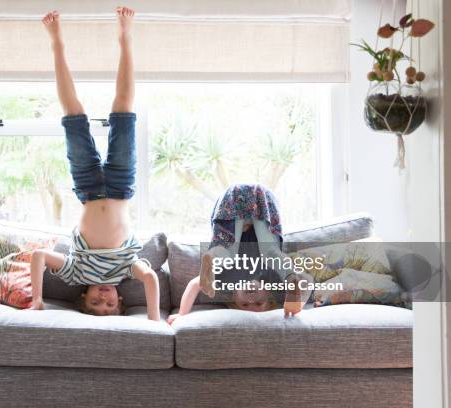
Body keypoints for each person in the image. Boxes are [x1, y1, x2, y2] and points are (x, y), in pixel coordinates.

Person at [29, 7, 161, 321]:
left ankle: (57, 43)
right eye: (110, 305)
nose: (103, 299)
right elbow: (152, 278)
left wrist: (37, 299)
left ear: (83, 296)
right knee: (123, 111)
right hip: (120, 186)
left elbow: (37, 256)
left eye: (95, 304)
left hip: (87, 188)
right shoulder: (128, 269)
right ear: (120, 300)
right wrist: (155, 319)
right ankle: (126, 38)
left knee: (72, 115)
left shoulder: (75, 273)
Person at [168, 184, 312, 324]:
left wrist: (182, 314)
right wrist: (297, 300)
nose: (251, 300)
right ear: (268, 295)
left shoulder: (227, 282)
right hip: (261, 200)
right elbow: (307, 279)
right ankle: (291, 276)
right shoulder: (272, 278)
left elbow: (195, 285)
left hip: (233, 199)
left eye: (245, 305)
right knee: (270, 253)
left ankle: (213, 257)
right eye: (259, 303)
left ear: (234, 299)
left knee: (228, 252)